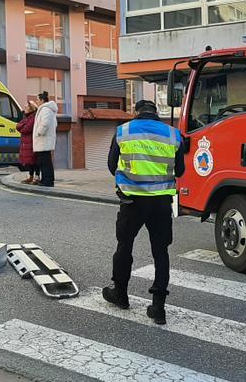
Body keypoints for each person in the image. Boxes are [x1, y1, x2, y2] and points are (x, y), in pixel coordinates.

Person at [102, 100, 184, 325]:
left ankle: (120, 295)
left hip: (132, 202)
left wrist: (127, 177)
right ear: (156, 113)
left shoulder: (123, 131)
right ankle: (158, 308)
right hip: (161, 203)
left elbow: (111, 166)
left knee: (124, 247)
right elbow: (181, 170)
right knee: (161, 252)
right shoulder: (173, 134)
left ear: (136, 112)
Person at [32, 91, 58, 187]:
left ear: (42, 100)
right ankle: (45, 180)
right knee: (44, 161)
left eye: (37, 100)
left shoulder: (45, 109)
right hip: (44, 140)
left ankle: (48, 181)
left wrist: (39, 132)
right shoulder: (46, 109)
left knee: (45, 162)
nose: (37, 101)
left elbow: (45, 123)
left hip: (43, 140)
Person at [16, 101, 39, 184]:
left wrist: (22, 126)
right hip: (26, 142)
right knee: (29, 161)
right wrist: (22, 126)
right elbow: (18, 126)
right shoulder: (27, 117)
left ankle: (36, 177)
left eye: (26, 108)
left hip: (31, 141)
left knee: (33, 160)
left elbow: (26, 129)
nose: (24, 109)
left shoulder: (33, 117)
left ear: (30, 109)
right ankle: (31, 176)